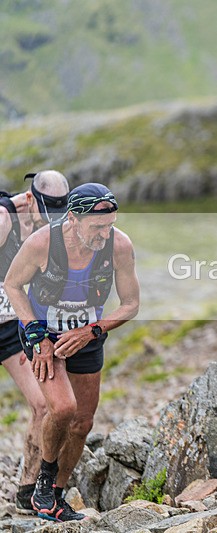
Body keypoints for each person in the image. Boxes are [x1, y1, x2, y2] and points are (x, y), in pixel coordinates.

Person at [5, 183, 140, 522]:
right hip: (43, 334)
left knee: (82, 423)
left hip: (87, 335)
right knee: (63, 408)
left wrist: (92, 331)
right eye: (96, 227)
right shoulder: (42, 243)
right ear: (73, 218)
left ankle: (56, 496)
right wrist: (37, 336)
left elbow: (131, 304)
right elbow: (12, 285)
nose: (104, 234)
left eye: (109, 225)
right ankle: (43, 485)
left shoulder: (119, 246)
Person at [0, 171, 70, 513]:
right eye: (47, 212)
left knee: (44, 406)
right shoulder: (3, 218)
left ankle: (27, 489)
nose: (52, 222)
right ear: (30, 200)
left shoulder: (47, 227)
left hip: (13, 326)